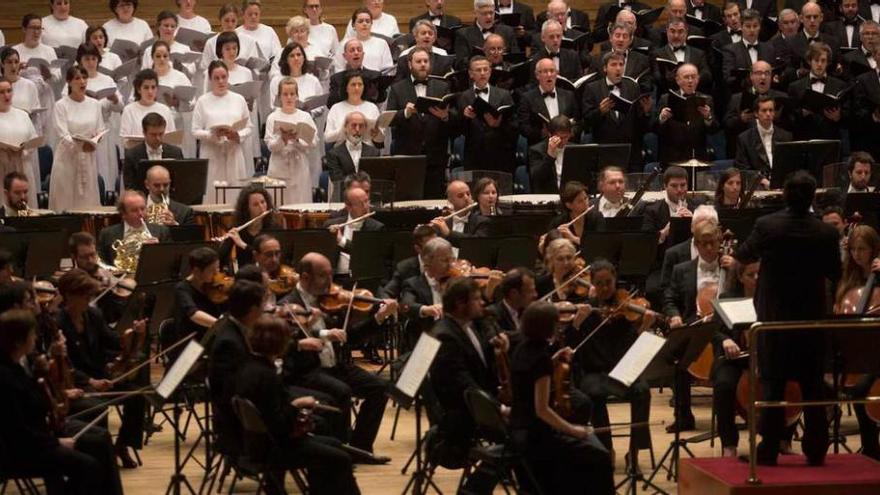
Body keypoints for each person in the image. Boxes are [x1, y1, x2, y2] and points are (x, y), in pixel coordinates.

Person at [735, 170, 841, 466]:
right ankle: (817, 449)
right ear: (812, 197)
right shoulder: (826, 232)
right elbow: (835, 273)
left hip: (775, 320)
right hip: (811, 320)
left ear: (784, 195)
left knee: (772, 386)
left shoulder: (767, 225)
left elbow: (743, 254)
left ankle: (768, 449)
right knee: (812, 386)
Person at [279, 252, 396, 461]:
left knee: (379, 388)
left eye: (331, 275)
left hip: (334, 367)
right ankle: (338, 454)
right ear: (305, 278)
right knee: (341, 391)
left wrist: (379, 317)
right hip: (305, 371)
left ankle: (360, 448)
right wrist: (324, 335)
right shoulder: (287, 306)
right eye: (324, 276)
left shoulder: (329, 302)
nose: (331, 283)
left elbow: (350, 337)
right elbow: (287, 344)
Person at [0, 309, 124, 495]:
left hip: (40, 433)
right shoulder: (5, 377)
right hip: (19, 451)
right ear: (18, 341)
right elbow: (16, 430)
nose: (35, 339)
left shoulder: (16, 365)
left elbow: (35, 402)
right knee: (88, 467)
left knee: (100, 440)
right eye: (32, 334)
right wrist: (55, 442)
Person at [233, 314, 361, 494]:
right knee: (341, 458)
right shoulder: (267, 376)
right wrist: (298, 404)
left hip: (256, 444)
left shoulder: (249, 367)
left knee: (333, 443)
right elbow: (279, 425)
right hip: (274, 448)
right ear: (279, 344)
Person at [510, 301, 614, 494]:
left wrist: (553, 359)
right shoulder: (540, 358)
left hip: (518, 429)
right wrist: (574, 430)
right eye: (555, 324)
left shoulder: (522, 348)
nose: (558, 328)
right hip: (536, 439)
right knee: (600, 457)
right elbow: (542, 410)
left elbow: (530, 375)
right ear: (547, 326)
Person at [55, 268, 148, 469]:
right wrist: (90, 382)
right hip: (78, 384)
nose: (89, 299)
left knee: (138, 396)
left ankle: (122, 445)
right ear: (69, 295)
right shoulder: (58, 323)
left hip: (101, 378)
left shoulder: (93, 314)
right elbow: (64, 366)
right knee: (98, 406)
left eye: (90, 295)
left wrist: (132, 333)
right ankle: (102, 454)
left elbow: (113, 341)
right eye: (84, 295)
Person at [428, 276, 510, 491]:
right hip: (464, 415)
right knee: (521, 436)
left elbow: (481, 362)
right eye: (476, 299)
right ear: (460, 304)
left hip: (480, 404)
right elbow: (464, 386)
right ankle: (475, 489)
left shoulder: (468, 324)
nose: (482, 302)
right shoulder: (445, 336)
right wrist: (499, 408)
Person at [570, 260, 654, 469]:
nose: (605, 288)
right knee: (592, 393)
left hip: (621, 371)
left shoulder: (625, 309)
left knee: (643, 391)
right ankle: (606, 448)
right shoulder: (585, 310)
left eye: (609, 282)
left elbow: (633, 350)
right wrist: (577, 323)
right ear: (592, 284)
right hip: (594, 372)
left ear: (616, 281)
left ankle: (634, 451)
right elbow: (572, 347)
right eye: (599, 283)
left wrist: (643, 327)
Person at [663, 219, 736, 432]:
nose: (709, 248)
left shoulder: (731, 266)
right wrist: (674, 316)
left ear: (719, 241)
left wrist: (734, 270)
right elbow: (669, 298)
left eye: (713, 242)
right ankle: (683, 415)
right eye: (703, 244)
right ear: (696, 244)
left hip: (725, 328)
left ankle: (738, 410)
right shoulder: (681, 269)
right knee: (677, 355)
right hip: (694, 325)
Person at [833, 225, 880, 460]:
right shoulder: (848, 280)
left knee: (861, 389)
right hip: (856, 352)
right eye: (853, 249)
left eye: (862, 249)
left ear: (874, 250)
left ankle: (871, 448)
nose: (857, 254)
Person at [207, 278, 267, 456]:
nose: (265, 310)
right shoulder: (229, 342)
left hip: (247, 414)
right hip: (240, 427)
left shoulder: (236, 328)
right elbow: (234, 392)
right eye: (263, 306)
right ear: (254, 310)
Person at [386, 47, 453, 199]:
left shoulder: (442, 86)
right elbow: (389, 119)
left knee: (434, 201)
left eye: (426, 61)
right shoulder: (397, 88)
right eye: (418, 61)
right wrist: (405, 113)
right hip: (407, 157)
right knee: (408, 202)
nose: (423, 64)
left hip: (436, 157)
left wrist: (444, 116)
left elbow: (454, 119)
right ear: (410, 65)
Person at [192, 60, 253, 203]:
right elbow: (195, 130)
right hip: (212, 153)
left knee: (235, 196)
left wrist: (238, 135)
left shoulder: (238, 99)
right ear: (210, 79)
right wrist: (211, 135)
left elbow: (249, 126)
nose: (221, 81)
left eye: (224, 77)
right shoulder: (203, 101)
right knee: (213, 196)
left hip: (233, 152)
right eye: (216, 78)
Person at [582, 51, 653, 172]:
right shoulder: (592, 88)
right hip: (605, 149)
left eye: (621, 64)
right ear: (605, 68)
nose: (618, 68)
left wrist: (646, 113)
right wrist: (600, 111)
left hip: (630, 150)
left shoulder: (633, 87)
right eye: (614, 64)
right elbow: (586, 121)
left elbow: (639, 124)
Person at [49, 66, 105, 212]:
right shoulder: (61, 105)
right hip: (68, 158)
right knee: (66, 200)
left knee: (88, 201)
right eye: (77, 78)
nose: (82, 82)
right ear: (69, 82)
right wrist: (80, 145)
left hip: (88, 157)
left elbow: (100, 129)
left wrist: (95, 139)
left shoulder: (95, 104)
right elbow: (62, 133)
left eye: (84, 78)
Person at [456, 55, 518, 173]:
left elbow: (514, 125)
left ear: (490, 72)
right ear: (470, 74)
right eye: (478, 70)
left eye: (486, 69)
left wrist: (498, 124)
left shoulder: (504, 95)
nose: (483, 73)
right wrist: (465, 117)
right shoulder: (463, 97)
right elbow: (458, 129)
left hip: (500, 153)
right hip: (474, 155)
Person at [265, 77, 318, 204]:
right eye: (285, 94)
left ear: (297, 96)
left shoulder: (305, 117)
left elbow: (314, 142)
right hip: (279, 167)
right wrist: (283, 139)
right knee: (279, 204)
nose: (289, 97)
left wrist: (298, 139)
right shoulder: (272, 117)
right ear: (279, 97)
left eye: (292, 94)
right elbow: (270, 145)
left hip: (299, 166)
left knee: (300, 204)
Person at [654, 63, 718, 164]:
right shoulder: (665, 99)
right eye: (686, 77)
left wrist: (708, 117)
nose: (690, 81)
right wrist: (662, 118)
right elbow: (654, 127)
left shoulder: (707, 100)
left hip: (698, 156)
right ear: (678, 80)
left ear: (698, 79)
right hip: (671, 157)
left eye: (693, 77)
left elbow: (714, 129)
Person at [787, 42, 847, 141]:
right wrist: (801, 114)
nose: (819, 64)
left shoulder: (840, 85)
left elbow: (849, 115)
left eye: (823, 61)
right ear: (809, 61)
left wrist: (838, 117)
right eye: (816, 60)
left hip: (831, 140)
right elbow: (790, 117)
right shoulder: (795, 87)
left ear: (828, 62)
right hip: (805, 140)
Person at [97, 190, 172, 266]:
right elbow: (102, 263)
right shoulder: (107, 234)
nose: (140, 213)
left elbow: (170, 261)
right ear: (123, 214)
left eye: (143, 208)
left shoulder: (162, 231)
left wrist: (158, 250)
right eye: (134, 210)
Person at [518, 56, 580, 146]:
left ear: (557, 74)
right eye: (545, 71)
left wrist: (569, 133)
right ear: (537, 75)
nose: (549, 75)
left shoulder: (568, 95)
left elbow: (578, 122)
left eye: (552, 71)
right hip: (540, 148)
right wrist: (542, 133)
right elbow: (523, 126)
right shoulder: (527, 98)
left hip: (566, 146)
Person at [324, 186, 384, 275]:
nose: (366, 206)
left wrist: (341, 240)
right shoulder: (330, 224)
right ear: (348, 207)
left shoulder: (376, 228)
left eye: (366, 201)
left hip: (361, 279)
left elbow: (364, 255)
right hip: (335, 279)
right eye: (360, 203)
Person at [218, 184, 278, 270]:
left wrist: (242, 244)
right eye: (255, 204)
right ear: (247, 208)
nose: (261, 207)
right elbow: (221, 259)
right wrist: (224, 243)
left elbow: (265, 257)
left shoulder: (273, 228)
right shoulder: (238, 228)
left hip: (268, 275)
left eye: (263, 202)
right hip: (245, 277)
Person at [0, 78, 39, 208]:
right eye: (1, 92)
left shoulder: (22, 115)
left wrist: (24, 150)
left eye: (9, 91)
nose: (6, 95)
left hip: (23, 165)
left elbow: (33, 138)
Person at [122, 112, 184, 191]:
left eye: (161, 134)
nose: (158, 138)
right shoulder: (131, 155)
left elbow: (180, 183)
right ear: (144, 133)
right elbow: (129, 187)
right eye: (153, 135)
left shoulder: (175, 153)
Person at [172, 246, 221, 345]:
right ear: (197, 271)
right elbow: (194, 314)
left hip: (213, 339)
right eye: (212, 270)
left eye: (218, 268)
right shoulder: (182, 288)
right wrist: (222, 326)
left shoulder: (212, 283)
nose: (217, 273)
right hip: (192, 343)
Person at [734, 95, 793, 176]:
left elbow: (790, 165)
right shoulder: (744, 139)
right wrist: (761, 180)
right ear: (756, 113)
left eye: (771, 110)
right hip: (758, 185)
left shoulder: (786, 136)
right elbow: (742, 169)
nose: (768, 114)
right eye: (764, 110)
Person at [652, 17, 713, 96]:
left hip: (694, 99)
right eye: (672, 31)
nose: (676, 35)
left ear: (686, 33)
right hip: (668, 100)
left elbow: (707, 75)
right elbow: (657, 78)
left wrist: (691, 79)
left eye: (680, 31)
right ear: (667, 31)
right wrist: (680, 79)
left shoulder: (699, 54)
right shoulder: (657, 54)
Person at [720, 9, 777, 93]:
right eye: (748, 26)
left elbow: (773, 73)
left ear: (760, 27)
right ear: (741, 27)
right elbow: (728, 78)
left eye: (755, 26)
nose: (752, 30)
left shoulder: (769, 49)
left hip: (766, 96)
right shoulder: (730, 50)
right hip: (742, 94)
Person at [120, 69, 177, 150]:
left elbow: (172, 139)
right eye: (146, 87)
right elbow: (125, 141)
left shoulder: (165, 110)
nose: (150, 92)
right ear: (139, 89)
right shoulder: (129, 110)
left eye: (153, 87)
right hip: (137, 156)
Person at [324, 71, 384, 146]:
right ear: (346, 88)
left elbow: (380, 139)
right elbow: (327, 138)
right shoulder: (336, 108)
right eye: (353, 85)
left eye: (360, 85)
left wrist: (376, 133)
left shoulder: (372, 107)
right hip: (342, 152)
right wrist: (343, 130)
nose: (357, 88)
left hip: (367, 152)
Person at [379, 224, 437, 299]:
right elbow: (387, 292)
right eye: (430, 246)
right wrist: (387, 303)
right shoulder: (405, 268)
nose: (436, 249)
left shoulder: (445, 264)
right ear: (418, 249)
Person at [454, 0, 520, 65]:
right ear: (475, 13)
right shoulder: (463, 34)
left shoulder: (507, 31)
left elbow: (516, 59)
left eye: (491, 13)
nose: (489, 17)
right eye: (484, 13)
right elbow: (460, 63)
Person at [542, 181, 602, 250]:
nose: (586, 203)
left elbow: (598, 245)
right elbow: (551, 249)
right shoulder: (559, 221)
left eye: (586, 198)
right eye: (580, 201)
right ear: (569, 205)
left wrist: (573, 238)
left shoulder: (596, 218)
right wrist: (544, 243)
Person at [323, 110, 381, 182]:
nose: (357, 129)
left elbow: (376, 179)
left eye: (361, 126)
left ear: (365, 129)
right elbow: (337, 180)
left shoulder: (374, 152)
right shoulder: (334, 154)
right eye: (354, 125)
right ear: (345, 127)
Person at [430, 180, 491, 246]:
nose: (466, 198)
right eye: (460, 195)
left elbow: (476, 243)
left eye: (468, 194)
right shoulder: (443, 225)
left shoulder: (483, 222)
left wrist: (449, 233)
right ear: (450, 200)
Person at [327, 39, 383, 107]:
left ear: (363, 54)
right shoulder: (336, 78)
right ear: (344, 56)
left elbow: (381, 99)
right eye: (352, 50)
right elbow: (330, 104)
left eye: (359, 50)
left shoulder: (375, 76)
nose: (356, 53)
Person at [528, 114, 575, 194]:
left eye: (565, 137)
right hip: (548, 196)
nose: (563, 141)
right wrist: (550, 156)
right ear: (550, 134)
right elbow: (536, 178)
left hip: (570, 196)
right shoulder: (536, 150)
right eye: (559, 137)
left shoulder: (575, 149)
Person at [339, 8, 393, 73]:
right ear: (353, 25)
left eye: (367, 21)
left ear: (371, 24)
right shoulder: (344, 44)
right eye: (360, 21)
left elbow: (388, 69)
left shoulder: (382, 43)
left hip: (376, 81)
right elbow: (339, 68)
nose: (364, 24)